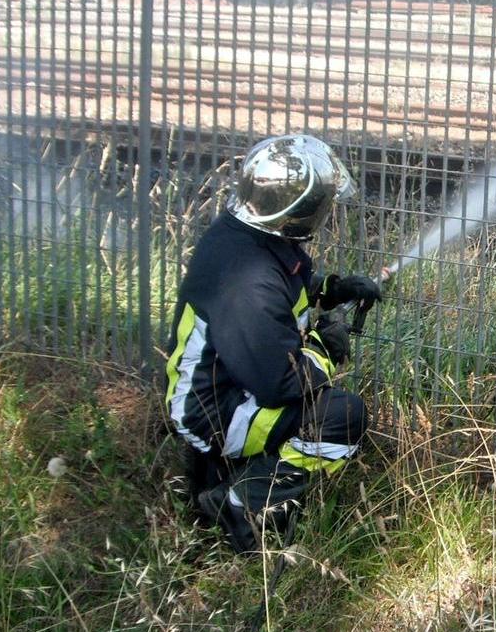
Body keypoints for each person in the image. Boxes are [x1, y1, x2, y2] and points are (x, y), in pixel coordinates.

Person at [163, 134, 381, 553]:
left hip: (219, 393)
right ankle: (242, 511)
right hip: (215, 414)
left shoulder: (248, 241)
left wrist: (331, 290)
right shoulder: (251, 284)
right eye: (320, 204)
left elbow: (284, 292)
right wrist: (326, 348)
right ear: (297, 210)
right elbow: (281, 383)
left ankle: (232, 478)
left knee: (320, 409)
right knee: (341, 416)